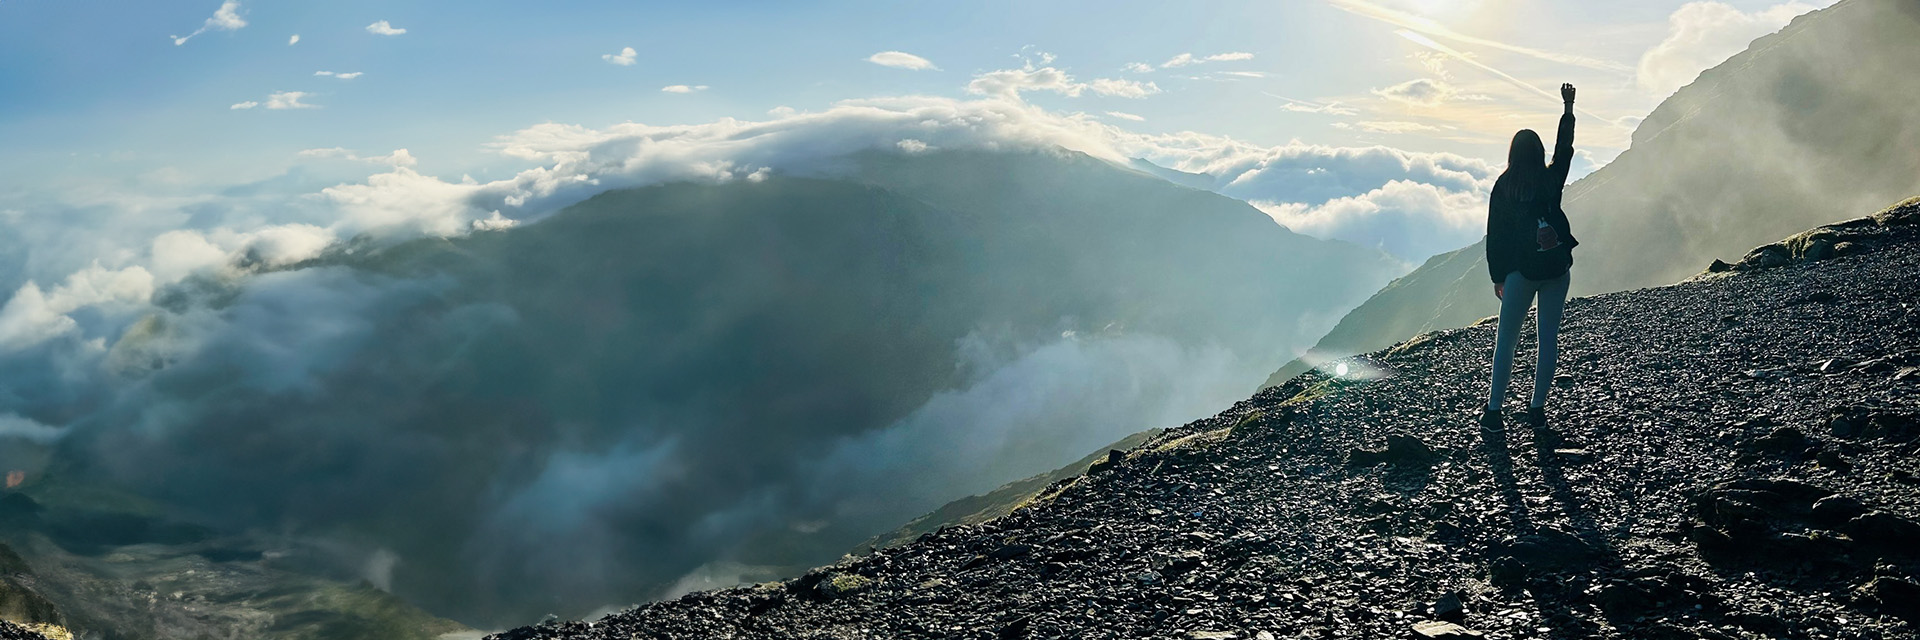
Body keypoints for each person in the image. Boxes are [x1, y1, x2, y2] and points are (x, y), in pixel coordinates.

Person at [1482, 83, 1579, 430]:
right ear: (1537, 153)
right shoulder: (1552, 179)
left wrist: (1497, 276)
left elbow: (1496, 236)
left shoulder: (1504, 186)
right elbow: (1564, 149)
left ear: (1512, 153)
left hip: (1520, 273)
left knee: (1506, 341)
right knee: (1547, 339)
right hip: (1556, 268)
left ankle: (1494, 412)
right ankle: (1536, 409)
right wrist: (1567, 109)